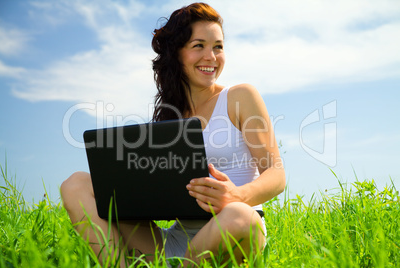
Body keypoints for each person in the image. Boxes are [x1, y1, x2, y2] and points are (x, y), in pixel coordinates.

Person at [61, 2, 285, 267]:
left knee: (240, 215)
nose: (211, 57)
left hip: (232, 230)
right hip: (176, 241)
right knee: (75, 184)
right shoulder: (170, 115)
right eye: (198, 45)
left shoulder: (240, 97)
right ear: (177, 54)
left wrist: (237, 195)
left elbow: (277, 174)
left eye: (218, 47)